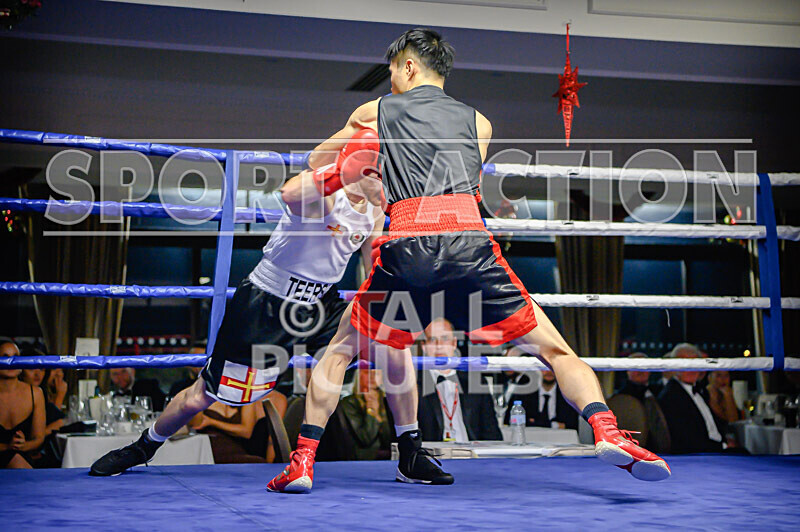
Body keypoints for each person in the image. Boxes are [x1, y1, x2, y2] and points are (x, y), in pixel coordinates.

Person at [270, 28, 670, 491]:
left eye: (394, 72)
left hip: (408, 247)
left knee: (339, 351)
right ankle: (607, 430)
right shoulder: (481, 123)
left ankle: (302, 461)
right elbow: (466, 185)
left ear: (409, 66)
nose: (391, 81)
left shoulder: (374, 111)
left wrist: (363, 156)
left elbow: (317, 159)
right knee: (556, 350)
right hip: (469, 245)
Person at [88, 134, 400, 477]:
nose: (386, 180)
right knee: (203, 395)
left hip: (321, 303)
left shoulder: (373, 210)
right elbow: (294, 193)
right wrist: (339, 169)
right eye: (378, 171)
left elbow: (373, 259)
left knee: (382, 347)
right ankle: (143, 446)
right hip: (265, 303)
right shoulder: (324, 197)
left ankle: (391, 451)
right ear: (357, 170)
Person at [417, 319, 501, 442]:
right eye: (433, 339)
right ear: (424, 346)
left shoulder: (475, 381)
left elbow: (492, 433)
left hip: (472, 456)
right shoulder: (414, 384)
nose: (439, 345)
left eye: (445, 338)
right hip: (433, 457)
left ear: (454, 343)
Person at [658, 343, 724, 453]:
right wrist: (723, 446)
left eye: (694, 364)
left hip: (712, 448)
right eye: (685, 364)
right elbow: (687, 440)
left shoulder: (700, 391)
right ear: (675, 367)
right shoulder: (671, 396)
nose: (691, 368)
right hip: (700, 455)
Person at [0, 341, 46, 469]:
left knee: (17, 458)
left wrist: (23, 445)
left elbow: (38, 438)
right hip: (10, 459)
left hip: (22, 457)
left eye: (16, 356)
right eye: (5, 357)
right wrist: (7, 447)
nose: (12, 362)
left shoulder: (35, 393)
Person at [505, 369, 578, 430]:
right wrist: (554, 425)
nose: (548, 372)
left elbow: (571, 424)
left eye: (552, 369)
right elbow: (512, 419)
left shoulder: (567, 393)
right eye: (544, 369)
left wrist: (535, 422)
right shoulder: (526, 389)